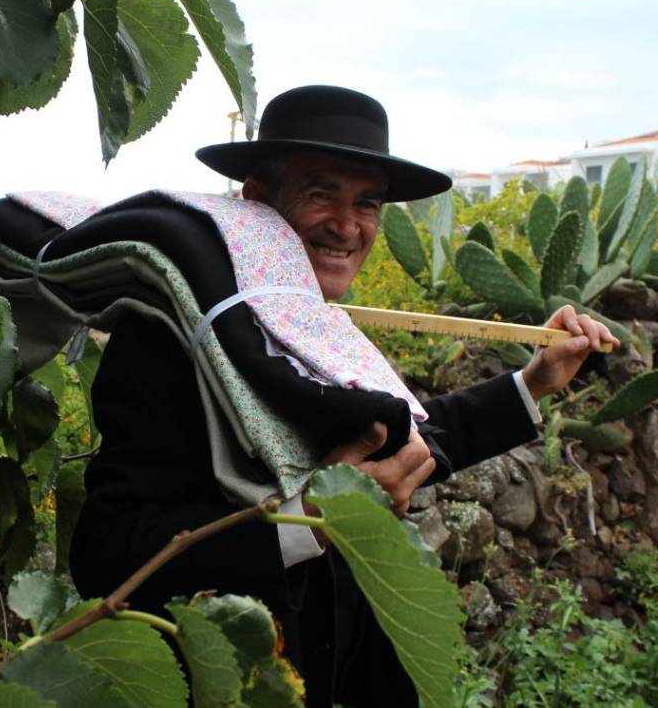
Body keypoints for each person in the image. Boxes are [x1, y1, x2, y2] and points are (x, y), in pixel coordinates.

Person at [69, 85, 617, 706]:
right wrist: (306, 522)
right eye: (321, 193)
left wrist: (532, 384)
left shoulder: (322, 329)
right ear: (256, 202)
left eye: (368, 204)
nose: (348, 226)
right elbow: (107, 555)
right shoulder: (169, 339)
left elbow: (396, 452)